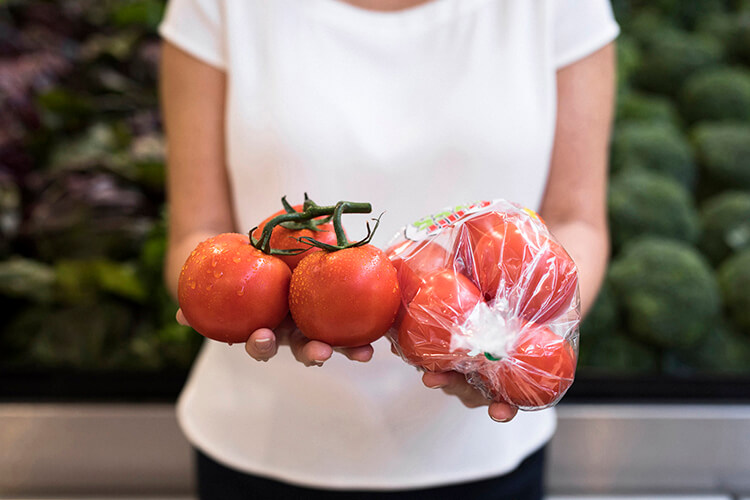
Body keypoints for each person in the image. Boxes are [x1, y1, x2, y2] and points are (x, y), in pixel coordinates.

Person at [159, 0, 617, 498]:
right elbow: (196, 231)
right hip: (260, 439)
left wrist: (519, 353)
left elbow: (577, 221)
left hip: (482, 450)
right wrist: (241, 309)